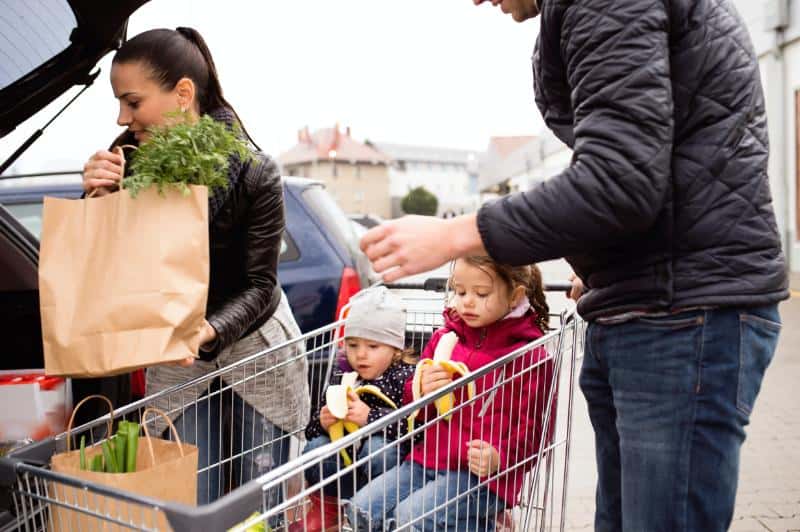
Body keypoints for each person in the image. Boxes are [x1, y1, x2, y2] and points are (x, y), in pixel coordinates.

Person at [359, 1, 789, 530]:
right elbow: (653, 164)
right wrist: (606, 260)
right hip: (655, 300)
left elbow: (620, 180)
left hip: (680, 314)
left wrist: (453, 235)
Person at [80, 27, 310, 506]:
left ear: (183, 93)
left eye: (132, 101)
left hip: (256, 353)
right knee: (187, 499)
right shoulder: (126, 164)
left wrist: (208, 330)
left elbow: (261, 285)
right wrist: (95, 202)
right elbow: (107, 269)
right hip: (175, 360)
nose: (123, 117)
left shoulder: (255, 170)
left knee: (257, 506)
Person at [346, 257, 553, 531]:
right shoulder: (445, 338)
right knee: (361, 510)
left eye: (481, 294)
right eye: (460, 291)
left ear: (515, 296)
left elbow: (536, 431)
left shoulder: (530, 356)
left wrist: (499, 456)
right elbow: (414, 406)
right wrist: (422, 390)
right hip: (428, 459)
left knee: (411, 517)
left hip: (484, 477)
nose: (466, 302)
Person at [291, 286, 417, 531]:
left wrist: (370, 418)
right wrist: (323, 421)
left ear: (395, 349)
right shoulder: (343, 373)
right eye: (353, 345)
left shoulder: (403, 377)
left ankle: (382, 514)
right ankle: (326, 509)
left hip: (387, 474)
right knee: (315, 448)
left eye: (373, 347)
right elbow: (311, 428)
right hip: (346, 467)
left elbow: (415, 428)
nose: (361, 355)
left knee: (377, 448)